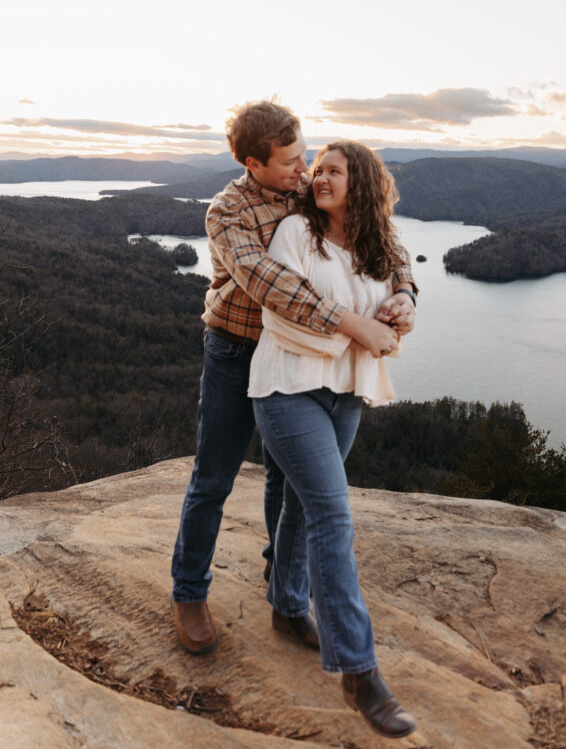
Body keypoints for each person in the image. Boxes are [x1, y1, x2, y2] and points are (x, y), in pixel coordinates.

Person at [171, 102, 417, 655]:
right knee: (215, 477)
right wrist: (353, 323)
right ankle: (189, 590)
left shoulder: (302, 188)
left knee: (289, 485)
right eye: (291, 161)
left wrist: (404, 289)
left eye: (306, 157)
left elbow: (373, 230)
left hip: (301, 360)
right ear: (255, 164)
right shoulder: (228, 212)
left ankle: (282, 583)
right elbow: (272, 285)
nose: (303, 169)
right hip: (238, 352)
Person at [250, 142, 417, 739]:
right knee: (331, 511)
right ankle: (359, 672)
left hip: (345, 393)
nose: (319, 177)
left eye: (333, 171)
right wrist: (361, 332)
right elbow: (280, 309)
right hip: (288, 387)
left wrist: (403, 305)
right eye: (316, 170)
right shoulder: (296, 232)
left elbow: (403, 291)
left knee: (302, 502)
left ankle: (288, 607)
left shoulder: (380, 244)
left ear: (363, 183)